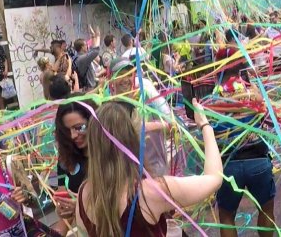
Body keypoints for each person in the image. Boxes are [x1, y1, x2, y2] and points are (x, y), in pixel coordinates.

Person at [75, 101, 223, 236]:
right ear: (132, 139)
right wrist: (205, 125)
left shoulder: (83, 194)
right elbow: (215, 178)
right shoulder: (150, 193)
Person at [209, 62, 276, 237]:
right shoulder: (253, 95)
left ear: (218, 75)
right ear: (241, 73)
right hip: (258, 161)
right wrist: (260, 98)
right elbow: (271, 123)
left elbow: (208, 136)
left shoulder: (213, 101)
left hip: (228, 166)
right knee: (266, 209)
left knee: (226, 216)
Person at [110, 58, 173, 177]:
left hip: (154, 166)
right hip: (125, 172)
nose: (125, 79)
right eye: (120, 75)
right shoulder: (106, 100)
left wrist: (153, 126)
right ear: (111, 78)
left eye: (129, 74)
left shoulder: (146, 91)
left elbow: (170, 122)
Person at [52, 97, 97, 234]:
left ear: (94, 121)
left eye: (79, 128)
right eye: (67, 130)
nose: (72, 135)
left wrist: (81, 207)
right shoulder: (65, 160)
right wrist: (63, 211)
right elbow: (64, 203)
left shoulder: (111, 156)